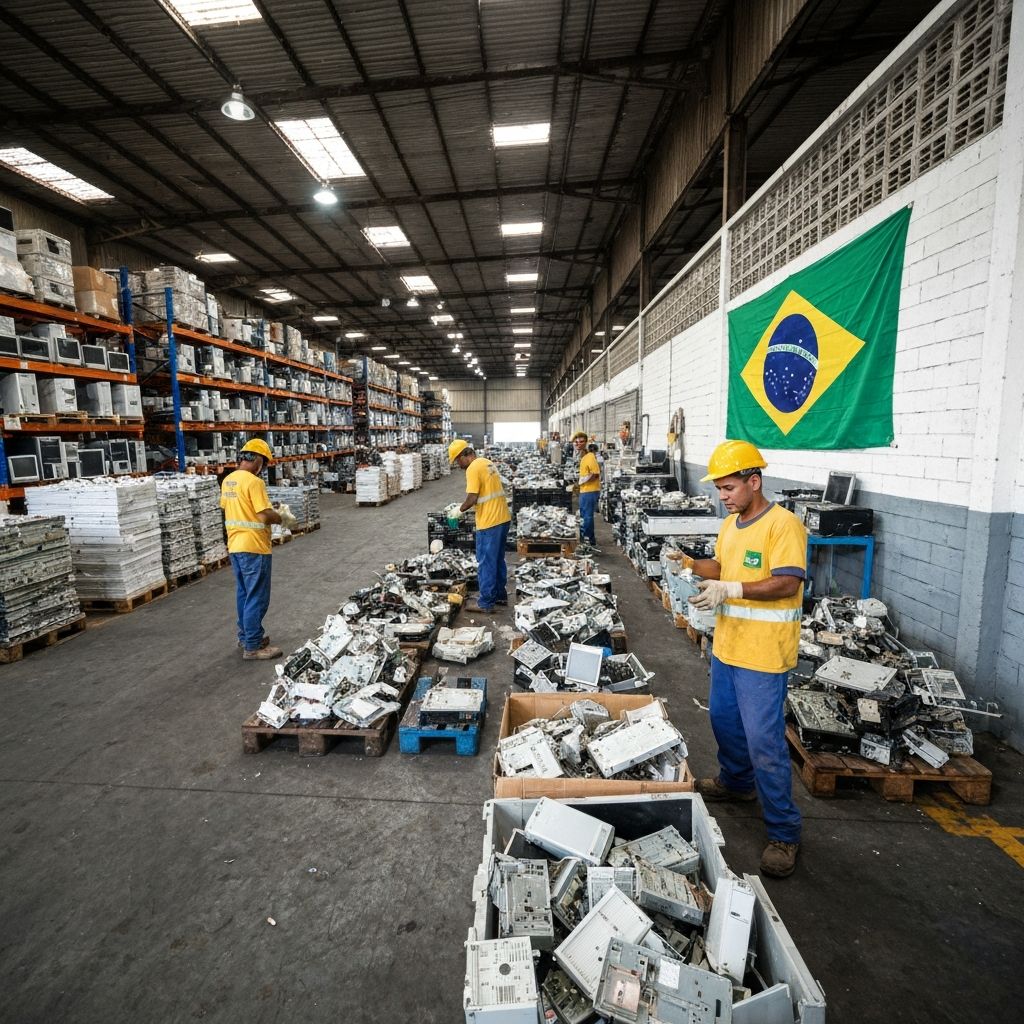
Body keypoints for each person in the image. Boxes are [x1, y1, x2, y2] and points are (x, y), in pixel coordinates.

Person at [683, 440, 806, 878]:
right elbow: (722, 567)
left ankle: (783, 832)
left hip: (764, 655)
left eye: (729, 487)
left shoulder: (783, 525)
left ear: (754, 482)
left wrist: (732, 590)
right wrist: (692, 565)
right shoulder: (731, 526)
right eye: (719, 489)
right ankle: (737, 785)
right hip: (728, 647)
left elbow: (787, 583)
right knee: (724, 723)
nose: (723, 496)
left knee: (765, 744)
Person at [220, 438, 293, 661]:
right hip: (254, 547)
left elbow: (232, 508)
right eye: (264, 463)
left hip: (235, 546)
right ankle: (252, 646)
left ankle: (247, 636)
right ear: (258, 459)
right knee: (257, 597)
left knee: (244, 594)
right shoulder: (254, 482)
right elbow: (263, 515)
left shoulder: (228, 481)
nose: (263, 469)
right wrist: (281, 517)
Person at [448, 439, 511, 614]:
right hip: (503, 517)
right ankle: (499, 595)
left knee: (486, 562)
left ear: (463, 456)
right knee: (497, 559)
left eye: (457, 460)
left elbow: (472, 497)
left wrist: (458, 510)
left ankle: (485, 603)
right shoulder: (486, 462)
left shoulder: (473, 468)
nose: (458, 465)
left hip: (489, 521)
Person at [570, 430, 601, 548]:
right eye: (576, 442)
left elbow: (595, 473)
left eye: (581, 442)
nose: (579, 444)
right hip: (585, 490)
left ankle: (588, 541)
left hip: (590, 491)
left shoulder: (590, 456)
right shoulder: (583, 457)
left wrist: (582, 481)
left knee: (587, 516)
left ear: (586, 442)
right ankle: (587, 539)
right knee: (584, 515)